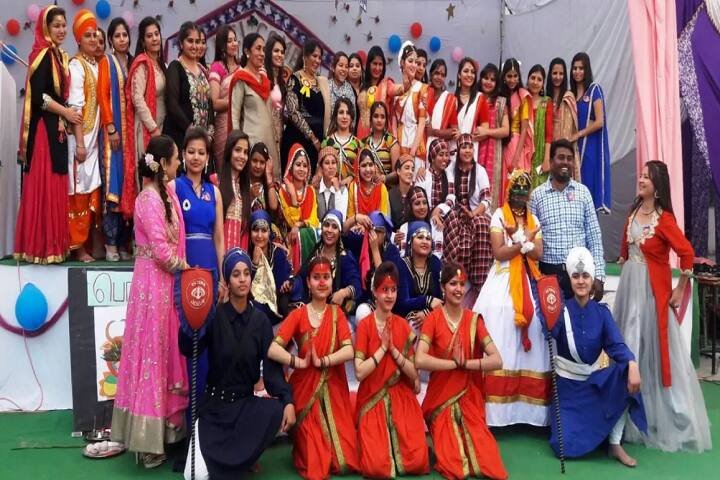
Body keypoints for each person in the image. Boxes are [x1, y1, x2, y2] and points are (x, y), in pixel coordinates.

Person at [614, 161, 711, 452]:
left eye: (647, 177)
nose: (641, 179)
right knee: (629, 345)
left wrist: (680, 288)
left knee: (653, 351)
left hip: (651, 294)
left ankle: (660, 416)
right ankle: (624, 416)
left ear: (657, 187)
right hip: (629, 290)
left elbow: (687, 253)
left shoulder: (664, 220)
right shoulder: (633, 212)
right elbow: (625, 249)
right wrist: (622, 259)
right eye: (641, 175)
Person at [180, 248, 295, 480]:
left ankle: (243, 458)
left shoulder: (260, 321)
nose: (242, 279)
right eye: (235, 274)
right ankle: (238, 461)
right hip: (215, 409)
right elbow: (188, 349)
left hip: (244, 407)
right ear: (227, 281)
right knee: (195, 476)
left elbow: (271, 371)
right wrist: (194, 317)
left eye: (246, 273)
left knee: (274, 410)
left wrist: (287, 401)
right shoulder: (214, 316)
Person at [111, 134, 188, 468]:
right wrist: (187, 268)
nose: (179, 163)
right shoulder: (147, 199)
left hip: (168, 285)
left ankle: (168, 434)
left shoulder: (168, 194)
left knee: (168, 353)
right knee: (152, 355)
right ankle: (146, 442)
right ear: (164, 163)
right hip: (151, 287)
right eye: (176, 158)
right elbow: (159, 250)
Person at [544, 247, 647, 466]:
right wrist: (547, 315)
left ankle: (614, 443)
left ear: (592, 280)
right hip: (567, 389)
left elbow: (617, 345)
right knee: (564, 446)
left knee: (625, 372)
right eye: (576, 276)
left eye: (585, 276)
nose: (581, 281)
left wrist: (632, 363)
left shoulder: (602, 313)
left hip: (592, 384)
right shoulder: (560, 311)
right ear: (570, 279)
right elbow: (548, 332)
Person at [269, 256, 360, 480]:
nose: (321, 282)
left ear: (331, 281)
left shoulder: (337, 314)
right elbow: (273, 349)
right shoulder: (298, 314)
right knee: (315, 464)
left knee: (345, 462)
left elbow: (349, 350)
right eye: (316, 277)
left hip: (334, 390)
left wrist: (324, 361)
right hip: (305, 393)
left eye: (326, 277)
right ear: (308, 282)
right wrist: (298, 362)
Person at [415, 263, 508, 480]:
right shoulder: (433, 320)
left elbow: (497, 360)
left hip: (469, 398)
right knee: (455, 467)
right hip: (442, 401)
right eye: (453, 284)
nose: (458, 289)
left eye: (461, 284)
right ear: (443, 287)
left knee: (491, 465)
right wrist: (453, 364)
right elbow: (419, 359)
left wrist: (466, 364)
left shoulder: (473, 320)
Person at [473, 170, 550, 426]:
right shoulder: (498, 214)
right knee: (500, 317)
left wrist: (521, 242)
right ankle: (497, 413)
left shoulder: (533, 218)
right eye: (516, 191)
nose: (520, 196)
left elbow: (538, 253)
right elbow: (499, 252)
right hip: (503, 277)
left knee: (537, 321)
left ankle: (527, 411)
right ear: (508, 192)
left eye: (524, 192)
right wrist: (521, 242)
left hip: (529, 277)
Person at [15, 5, 80, 262]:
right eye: (56, 26)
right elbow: (40, 97)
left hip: (57, 129)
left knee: (55, 184)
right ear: (45, 28)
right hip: (44, 131)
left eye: (64, 25)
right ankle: (39, 248)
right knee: (44, 185)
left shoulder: (58, 56)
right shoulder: (42, 56)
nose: (61, 30)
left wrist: (66, 114)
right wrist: (66, 113)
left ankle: (53, 248)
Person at [354, 261, 430, 478]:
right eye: (384, 290)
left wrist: (394, 351)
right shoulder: (365, 326)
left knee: (417, 463)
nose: (389, 296)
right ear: (375, 292)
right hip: (372, 397)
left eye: (393, 290)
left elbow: (414, 374)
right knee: (376, 467)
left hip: (401, 395)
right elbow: (359, 372)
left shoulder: (402, 325)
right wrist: (382, 349)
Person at [173, 127, 226, 410]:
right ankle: (184, 413)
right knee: (184, 336)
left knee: (207, 336)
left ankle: (204, 412)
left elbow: (219, 237)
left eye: (201, 153)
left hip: (209, 269)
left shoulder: (213, 192)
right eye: (191, 152)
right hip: (183, 269)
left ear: (207, 158)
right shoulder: (173, 187)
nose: (196, 157)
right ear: (183, 155)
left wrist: (222, 277)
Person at [529, 139, 605, 300]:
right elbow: (531, 239)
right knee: (551, 317)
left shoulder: (583, 193)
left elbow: (594, 236)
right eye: (561, 157)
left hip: (579, 274)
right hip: (548, 273)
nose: (566, 162)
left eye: (569, 159)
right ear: (551, 161)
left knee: (579, 316)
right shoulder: (537, 196)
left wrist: (598, 275)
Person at [121, 16, 166, 219]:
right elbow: (137, 99)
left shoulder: (159, 64)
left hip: (160, 130)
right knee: (147, 180)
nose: (155, 38)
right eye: (149, 36)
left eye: (156, 34)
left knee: (160, 181)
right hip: (147, 130)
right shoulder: (141, 64)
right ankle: (143, 229)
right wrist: (153, 128)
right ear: (143, 40)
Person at [66, 10, 102, 263]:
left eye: (95, 35)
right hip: (79, 142)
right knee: (77, 193)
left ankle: (88, 244)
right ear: (78, 39)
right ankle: (77, 248)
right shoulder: (76, 65)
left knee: (91, 192)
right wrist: (79, 143)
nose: (92, 39)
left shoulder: (97, 64)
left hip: (94, 142)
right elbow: (75, 108)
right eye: (87, 35)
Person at [97, 17, 133, 261]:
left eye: (125, 35)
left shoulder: (133, 62)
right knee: (114, 186)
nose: (122, 39)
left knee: (128, 187)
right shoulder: (106, 61)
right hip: (114, 135)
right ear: (110, 39)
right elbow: (103, 95)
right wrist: (111, 128)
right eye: (117, 35)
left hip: (131, 135)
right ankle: (110, 243)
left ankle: (123, 243)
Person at [443, 133, 493, 306]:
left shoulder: (480, 171)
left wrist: (473, 214)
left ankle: (479, 284)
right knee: (452, 223)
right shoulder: (451, 169)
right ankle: (454, 279)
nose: (467, 151)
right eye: (464, 147)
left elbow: (486, 200)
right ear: (458, 150)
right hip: (458, 212)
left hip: (476, 213)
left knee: (480, 224)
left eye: (470, 147)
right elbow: (450, 194)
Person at [229, 33, 279, 176]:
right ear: (247, 51)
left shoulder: (265, 81)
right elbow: (234, 115)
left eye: (264, 49)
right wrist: (238, 145)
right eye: (258, 49)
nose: (262, 53)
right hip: (250, 142)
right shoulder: (241, 78)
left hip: (269, 141)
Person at [281, 39, 331, 171]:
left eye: (320, 57)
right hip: (297, 140)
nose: (317, 61)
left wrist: (321, 141)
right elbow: (293, 112)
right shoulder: (295, 79)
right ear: (305, 56)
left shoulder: (321, 82)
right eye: (314, 56)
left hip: (317, 146)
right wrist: (313, 138)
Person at [570, 52, 611, 212]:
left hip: (590, 150)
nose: (577, 72)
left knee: (588, 191)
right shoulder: (571, 95)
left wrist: (579, 134)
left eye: (581, 68)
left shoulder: (594, 90)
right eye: (574, 68)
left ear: (586, 70)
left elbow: (600, 121)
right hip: (574, 150)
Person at [164, 22, 213, 151]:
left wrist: (210, 132)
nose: (195, 46)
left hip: (203, 140)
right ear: (181, 44)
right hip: (181, 137)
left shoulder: (202, 69)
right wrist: (190, 129)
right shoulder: (175, 67)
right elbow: (172, 104)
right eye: (190, 41)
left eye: (197, 42)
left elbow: (209, 102)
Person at [303, 209, 362, 315]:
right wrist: (290, 283)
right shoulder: (315, 253)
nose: (329, 230)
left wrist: (343, 293)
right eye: (326, 225)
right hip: (312, 309)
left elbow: (357, 286)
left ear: (339, 233)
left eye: (334, 227)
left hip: (335, 313)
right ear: (322, 228)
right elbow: (302, 276)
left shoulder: (345, 257)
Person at [248, 210, 295, 324]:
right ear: (250, 232)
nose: (259, 235)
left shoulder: (277, 253)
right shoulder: (246, 255)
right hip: (255, 310)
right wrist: (254, 264)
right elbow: (245, 289)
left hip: (277, 308)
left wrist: (288, 284)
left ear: (269, 232)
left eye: (264, 230)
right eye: (256, 230)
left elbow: (287, 280)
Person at [396, 221, 443, 330]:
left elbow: (441, 299)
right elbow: (402, 303)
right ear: (410, 242)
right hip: (407, 319)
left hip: (433, 315)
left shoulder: (435, 263)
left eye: (428, 238)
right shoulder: (402, 264)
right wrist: (428, 300)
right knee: (414, 323)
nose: (424, 241)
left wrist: (427, 313)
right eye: (420, 237)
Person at [279, 144, 319, 272]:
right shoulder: (283, 191)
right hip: (288, 240)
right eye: (298, 165)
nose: (302, 169)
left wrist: (299, 224)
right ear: (291, 166)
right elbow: (290, 222)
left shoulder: (311, 191)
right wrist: (293, 198)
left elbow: (313, 221)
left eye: (305, 165)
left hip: (307, 238)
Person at [500, 58, 533, 205]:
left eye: (515, 76)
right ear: (504, 77)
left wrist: (515, 159)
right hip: (502, 144)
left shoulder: (522, 96)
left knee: (518, 184)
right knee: (503, 185)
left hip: (516, 145)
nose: (512, 79)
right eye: (509, 76)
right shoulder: (501, 96)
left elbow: (524, 129)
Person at [392, 42, 429, 176]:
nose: (414, 65)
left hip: (416, 146)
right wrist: (395, 148)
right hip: (400, 143)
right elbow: (394, 123)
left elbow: (421, 123)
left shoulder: (422, 88)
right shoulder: (396, 90)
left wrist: (412, 154)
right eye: (410, 61)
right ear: (402, 63)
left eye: (416, 62)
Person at [477, 63, 509, 209]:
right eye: (486, 78)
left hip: (494, 152)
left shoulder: (500, 102)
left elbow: (506, 130)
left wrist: (487, 132)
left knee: (491, 188)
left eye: (492, 79)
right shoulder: (475, 99)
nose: (488, 82)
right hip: (476, 149)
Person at [209, 25, 240, 170]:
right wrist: (237, 101)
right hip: (224, 127)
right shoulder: (217, 67)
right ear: (222, 45)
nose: (234, 44)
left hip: (241, 124)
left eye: (235, 40)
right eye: (229, 41)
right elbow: (215, 103)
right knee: (225, 171)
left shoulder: (242, 68)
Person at [417, 139, 455, 252]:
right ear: (433, 157)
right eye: (441, 155)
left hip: (443, 215)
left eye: (446, 155)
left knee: (452, 216)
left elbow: (451, 197)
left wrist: (438, 210)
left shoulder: (448, 175)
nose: (445, 158)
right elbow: (418, 201)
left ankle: (449, 259)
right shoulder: (424, 176)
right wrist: (432, 215)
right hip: (425, 217)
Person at [357, 46, 402, 139]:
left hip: (380, 134)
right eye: (374, 63)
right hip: (362, 133)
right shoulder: (362, 86)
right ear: (369, 64)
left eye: (380, 64)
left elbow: (396, 89)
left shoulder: (386, 84)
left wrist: (407, 84)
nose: (377, 68)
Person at [546, 57, 579, 180]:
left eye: (561, 74)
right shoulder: (546, 97)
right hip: (547, 149)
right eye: (555, 73)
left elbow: (569, 129)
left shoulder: (568, 97)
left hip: (564, 149)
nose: (558, 77)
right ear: (550, 75)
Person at [218, 130, 250, 250]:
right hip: (217, 255)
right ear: (229, 151)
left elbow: (244, 233)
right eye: (237, 150)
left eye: (245, 152)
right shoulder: (215, 183)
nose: (242, 156)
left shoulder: (244, 189)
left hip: (238, 257)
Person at [455, 58, 490, 164]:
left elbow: (484, 131)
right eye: (466, 71)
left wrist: (463, 138)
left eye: (473, 72)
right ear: (459, 75)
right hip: (452, 151)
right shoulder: (451, 99)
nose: (470, 75)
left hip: (470, 153)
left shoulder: (480, 99)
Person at [321, 97, 362, 185]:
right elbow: (320, 171)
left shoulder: (358, 144)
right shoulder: (327, 142)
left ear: (352, 118)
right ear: (335, 116)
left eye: (348, 113)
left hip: (351, 189)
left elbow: (362, 171)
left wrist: (351, 178)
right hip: (330, 189)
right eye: (341, 112)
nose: (344, 116)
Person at [394, 186, 442, 258]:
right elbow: (402, 255)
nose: (422, 207)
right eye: (417, 203)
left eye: (424, 203)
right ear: (410, 207)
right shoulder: (404, 228)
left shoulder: (435, 225)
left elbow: (437, 255)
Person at [526, 65, 554, 187]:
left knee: (539, 188)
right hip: (523, 153)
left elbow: (549, 133)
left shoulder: (546, 102)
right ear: (527, 79)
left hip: (540, 154)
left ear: (543, 84)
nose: (535, 82)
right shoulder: (522, 100)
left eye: (539, 79)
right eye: (533, 78)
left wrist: (546, 159)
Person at [425, 59, 458, 157]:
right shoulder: (423, 93)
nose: (439, 77)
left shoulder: (449, 99)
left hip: (439, 152)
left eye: (443, 75)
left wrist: (434, 132)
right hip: (420, 147)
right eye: (436, 73)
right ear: (430, 74)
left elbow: (454, 131)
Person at [363, 101, 400, 183]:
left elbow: (397, 173)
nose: (379, 120)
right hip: (367, 187)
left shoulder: (392, 142)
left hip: (387, 189)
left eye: (382, 117)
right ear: (371, 119)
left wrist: (384, 178)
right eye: (376, 116)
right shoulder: (364, 143)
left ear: (386, 120)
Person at [347, 148, 390, 218]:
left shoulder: (381, 188)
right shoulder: (353, 187)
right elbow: (350, 217)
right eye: (364, 165)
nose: (368, 169)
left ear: (375, 167)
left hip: (377, 225)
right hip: (357, 224)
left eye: (370, 165)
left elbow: (383, 217)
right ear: (358, 168)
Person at [264, 32, 286, 162]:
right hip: (265, 132)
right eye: (276, 51)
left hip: (279, 134)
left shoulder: (282, 80)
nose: (280, 55)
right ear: (268, 52)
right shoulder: (262, 75)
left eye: (282, 52)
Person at [314, 146, 349, 221]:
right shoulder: (314, 189)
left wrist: (337, 190)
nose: (331, 167)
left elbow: (341, 218)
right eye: (327, 163)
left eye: (333, 163)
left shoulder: (343, 190)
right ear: (321, 167)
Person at [388, 154, 415, 230]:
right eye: (407, 168)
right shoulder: (390, 194)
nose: (410, 172)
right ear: (398, 171)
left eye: (412, 169)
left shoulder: (417, 193)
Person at [328, 51, 356, 116]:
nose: (344, 69)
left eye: (346, 67)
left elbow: (353, 115)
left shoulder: (349, 89)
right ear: (333, 68)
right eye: (341, 65)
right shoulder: (326, 86)